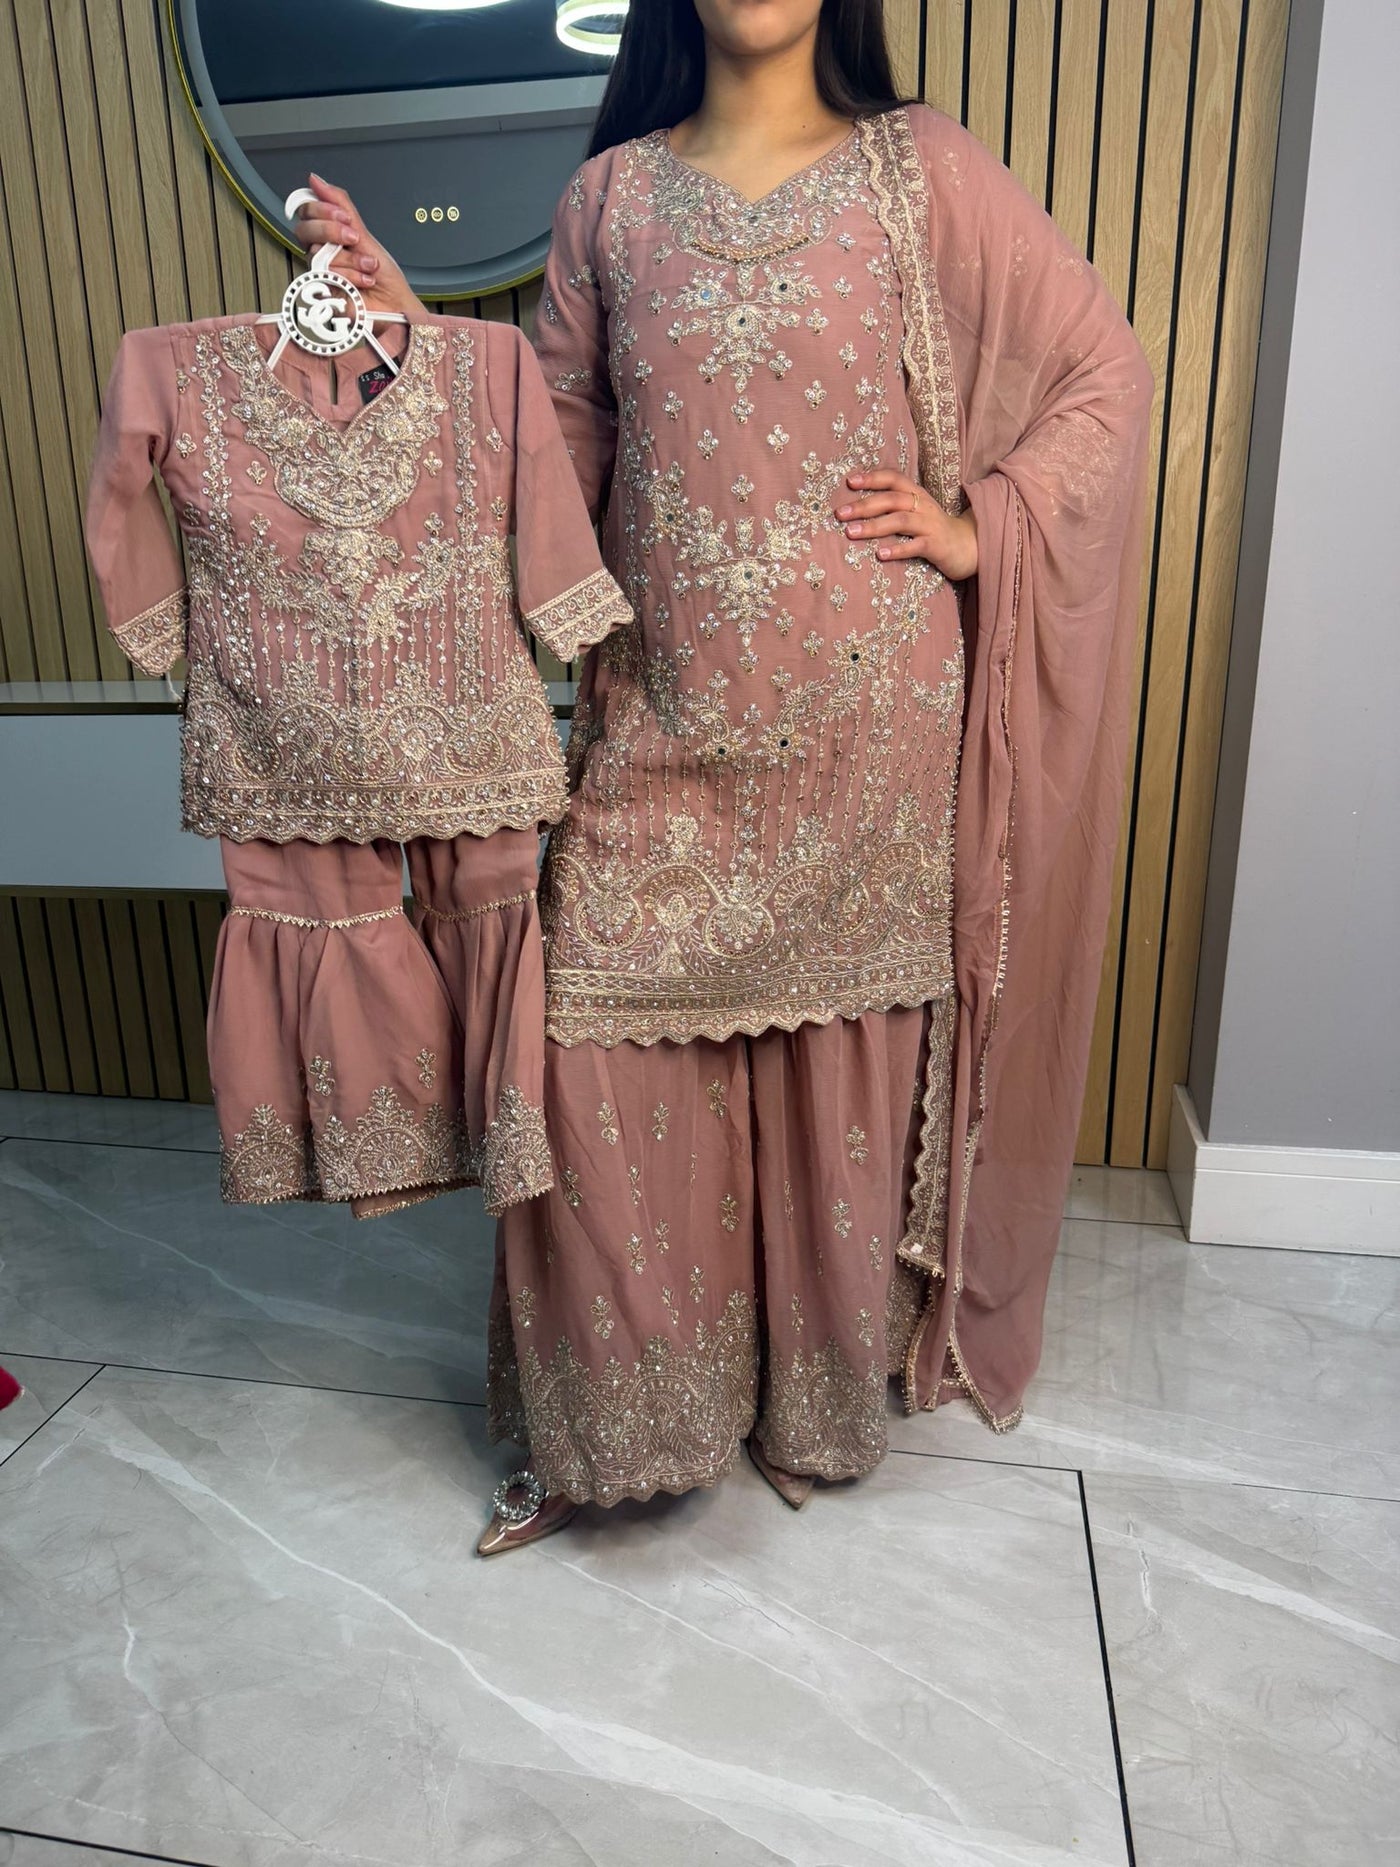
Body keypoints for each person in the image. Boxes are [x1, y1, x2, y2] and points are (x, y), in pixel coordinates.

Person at [289, 0, 1153, 1554]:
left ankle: (808, 1407)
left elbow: (1103, 374)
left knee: (835, 1072)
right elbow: (548, 460)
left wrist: (982, 527)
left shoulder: (922, 168)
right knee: (585, 1052)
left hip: (868, 734)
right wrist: (417, 342)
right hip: (658, 728)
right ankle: (613, 1436)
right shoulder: (609, 200)